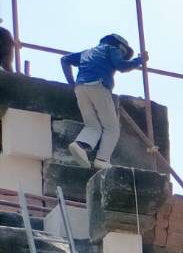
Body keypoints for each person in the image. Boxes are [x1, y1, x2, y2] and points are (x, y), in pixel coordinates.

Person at [59, 34, 146, 169]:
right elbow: (121, 66)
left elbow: (65, 59)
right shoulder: (112, 49)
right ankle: (102, 159)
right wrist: (139, 60)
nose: (122, 54)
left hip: (80, 89)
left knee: (93, 125)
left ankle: (80, 145)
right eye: (123, 52)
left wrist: (71, 83)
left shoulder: (87, 52)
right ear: (120, 46)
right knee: (112, 127)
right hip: (99, 86)